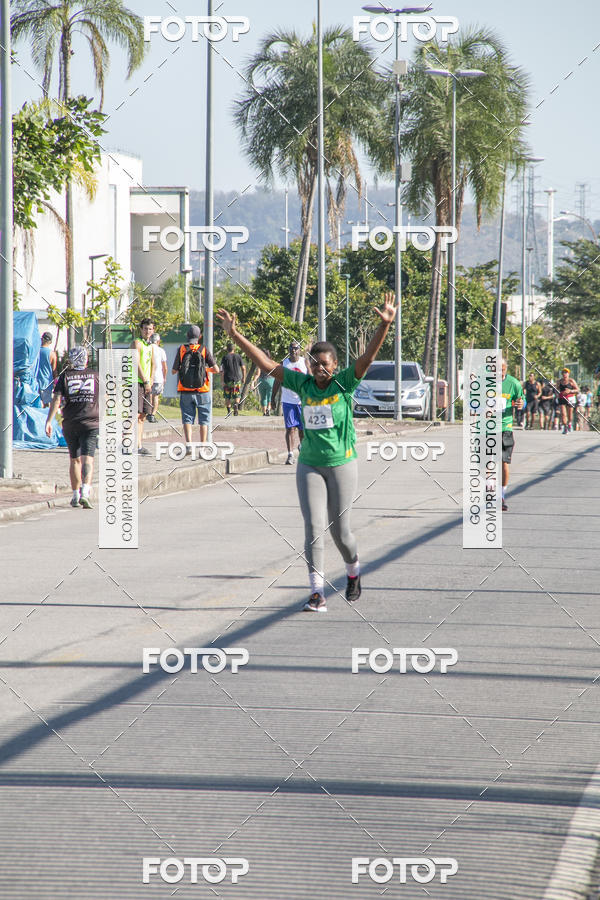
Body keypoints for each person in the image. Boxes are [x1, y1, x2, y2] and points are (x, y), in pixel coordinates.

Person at [217, 293, 397, 613]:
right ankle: (317, 592)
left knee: (341, 533)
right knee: (313, 527)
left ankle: (353, 569)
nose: (318, 371)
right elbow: (266, 364)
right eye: (314, 366)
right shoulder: (304, 385)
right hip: (310, 464)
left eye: (324, 366)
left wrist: (384, 326)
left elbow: (367, 358)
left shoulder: (344, 383)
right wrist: (234, 335)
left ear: (335, 366)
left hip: (342, 464)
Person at [45, 346, 99, 509]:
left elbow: (56, 399)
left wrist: (49, 420)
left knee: (74, 460)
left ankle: (75, 495)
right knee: (87, 458)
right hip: (91, 422)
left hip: (70, 423)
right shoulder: (96, 376)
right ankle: (85, 492)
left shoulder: (65, 377)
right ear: (86, 359)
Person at [172, 325, 219, 451]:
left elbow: (173, 371)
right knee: (204, 419)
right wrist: (204, 369)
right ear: (200, 337)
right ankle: (203, 446)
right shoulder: (204, 349)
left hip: (185, 390)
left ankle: (189, 446)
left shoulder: (181, 349)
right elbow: (216, 369)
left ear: (187, 336)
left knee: (187, 418)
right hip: (202, 390)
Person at [271, 340, 307, 465]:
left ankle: (302, 448)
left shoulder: (304, 362)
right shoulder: (284, 364)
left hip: (302, 402)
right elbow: (276, 381)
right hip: (288, 401)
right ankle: (290, 454)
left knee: (302, 430)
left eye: (296, 348)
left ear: (299, 349)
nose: (293, 350)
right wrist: (272, 398)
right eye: (291, 348)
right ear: (288, 350)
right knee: (290, 428)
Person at [501, 358, 524, 512]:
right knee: (488, 465)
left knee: (504, 463)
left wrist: (521, 404)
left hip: (505, 428)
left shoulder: (513, 383)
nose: (499, 372)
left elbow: (522, 400)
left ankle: (501, 496)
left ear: (505, 368)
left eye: (502, 369)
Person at [131, 318, 155, 456]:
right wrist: (145, 380)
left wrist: (151, 379)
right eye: (145, 328)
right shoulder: (137, 343)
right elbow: (136, 363)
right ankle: (129, 444)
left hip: (146, 383)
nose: (147, 331)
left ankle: (139, 445)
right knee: (134, 414)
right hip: (136, 382)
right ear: (141, 329)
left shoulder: (150, 346)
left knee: (143, 415)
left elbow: (153, 364)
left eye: (150, 329)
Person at [220, 341, 246, 416]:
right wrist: (243, 377)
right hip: (237, 380)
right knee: (237, 395)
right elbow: (243, 368)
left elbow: (222, 370)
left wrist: (222, 381)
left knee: (227, 396)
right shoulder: (238, 356)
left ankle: (229, 412)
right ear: (234, 349)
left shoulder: (224, 357)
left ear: (227, 349)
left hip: (227, 380)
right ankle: (236, 406)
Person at [148, 333, 167, 423]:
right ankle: (152, 415)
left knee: (149, 395)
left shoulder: (147, 349)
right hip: (158, 377)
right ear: (158, 341)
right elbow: (165, 367)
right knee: (156, 396)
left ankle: (147, 412)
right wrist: (164, 377)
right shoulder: (161, 351)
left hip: (148, 377)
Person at [252, 349, 275, 415]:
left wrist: (253, 382)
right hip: (271, 380)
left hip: (262, 381)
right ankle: (268, 408)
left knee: (263, 397)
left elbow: (257, 374)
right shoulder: (272, 362)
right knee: (270, 397)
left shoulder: (260, 362)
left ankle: (264, 412)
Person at [557, 367, 579, 434]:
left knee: (570, 414)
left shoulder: (571, 381)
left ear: (568, 374)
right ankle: (565, 427)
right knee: (563, 414)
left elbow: (577, 390)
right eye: (563, 372)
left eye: (566, 372)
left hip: (570, 398)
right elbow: (557, 389)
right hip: (562, 398)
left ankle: (569, 423)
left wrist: (570, 391)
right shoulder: (559, 381)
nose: (564, 374)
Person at [39, 332, 58, 406]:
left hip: (35, 381)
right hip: (47, 382)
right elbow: (54, 370)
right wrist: (55, 382)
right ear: (50, 342)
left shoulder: (36, 351)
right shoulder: (52, 354)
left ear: (41, 339)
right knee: (46, 404)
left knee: (35, 404)